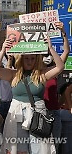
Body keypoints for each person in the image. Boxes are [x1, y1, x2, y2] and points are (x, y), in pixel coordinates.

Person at [0, 35, 64, 154]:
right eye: (26, 58)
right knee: (19, 149)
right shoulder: (13, 74)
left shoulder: (42, 74)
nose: (30, 62)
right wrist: (3, 49)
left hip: (37, 114)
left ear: (37, 59)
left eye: (33, 58)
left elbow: (60, 67)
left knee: (38, 149)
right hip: (17, 113)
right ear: (21, 59)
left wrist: (50, 48)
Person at [43, 21, 70, 153]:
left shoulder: (54, 69)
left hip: (55, 113)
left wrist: (63, 33)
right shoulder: (33, 71)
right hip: (40, 113)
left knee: (55, 147)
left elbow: (66, 51)